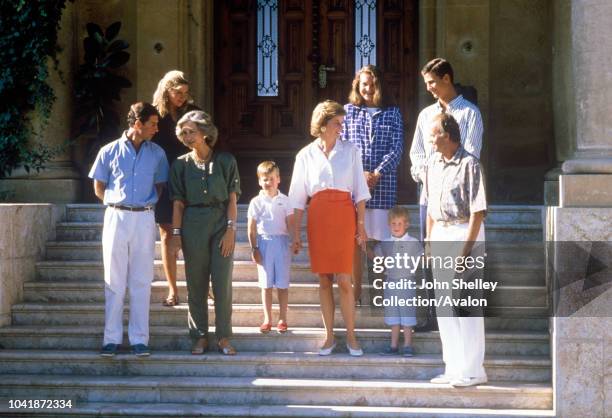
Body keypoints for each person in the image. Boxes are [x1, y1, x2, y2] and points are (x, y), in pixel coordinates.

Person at [289, 100, 371, 357]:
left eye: (342, 123)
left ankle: (351, 336)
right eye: (337, 123)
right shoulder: (305, 155)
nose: (341, 128)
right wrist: (295, 234)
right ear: (323, 125)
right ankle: (329, 337)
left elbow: (360, 192)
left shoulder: (351, 151)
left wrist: (361, 226)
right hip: (319, 216)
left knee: (345, 279)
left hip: (344, 215)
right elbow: (297, 198)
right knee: (324, 279)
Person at [89, 102, 169, 357]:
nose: (156, 129)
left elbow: (160, 187)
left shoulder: (157, 153)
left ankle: (139, 340)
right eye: (153, 124)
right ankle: (110, 339)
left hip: (144, 219)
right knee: (113, 279)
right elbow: (99, 187)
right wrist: (116, 205)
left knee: (141, 279)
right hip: (116, 217)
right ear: (138, 124)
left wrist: (143, 206)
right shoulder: (108, 151)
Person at [409, 58, 483, 331]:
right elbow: (416, 152)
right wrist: (424, 174)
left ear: (447, 79)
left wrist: (450, 175)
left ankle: (461, 314)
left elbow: (473, 152)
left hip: (458, 197)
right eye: (426, 83)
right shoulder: (425, 115)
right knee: (431, 252)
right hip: (429, 194)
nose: (428, 88)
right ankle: (433, 314)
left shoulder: (470, 114)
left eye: (432, 82)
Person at [423, 113, 488, 387]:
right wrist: (428, 241)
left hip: (464, 233)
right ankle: (453, 367)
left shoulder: (470, 164)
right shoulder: (432, 165)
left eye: (434, 133)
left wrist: (465, 252)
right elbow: (428, 206)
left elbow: (478, 211)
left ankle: (473, 371)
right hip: (440, 232)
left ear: (447, 135)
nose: (430, 138)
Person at [169, 110, 240, 356]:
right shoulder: (179, 164)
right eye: (184, 132)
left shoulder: (226, 161)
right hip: (192, 224)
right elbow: (178, 203)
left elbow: (232, 200)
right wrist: (176, 235)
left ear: (205, 132)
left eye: (192, 131)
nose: (187, 136)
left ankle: (223, 336)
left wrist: (231, 230)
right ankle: (199, 336)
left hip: (221, 223)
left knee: (222, 283)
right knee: (195, 283)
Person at [342, 65, 404, 305]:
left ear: (380, 86)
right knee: (357, 243)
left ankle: (379, 295)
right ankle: (356, 296)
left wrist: (377, 173)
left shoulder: (393, 113)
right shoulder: (348, 112)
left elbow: (397, 149)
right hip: (356, 189)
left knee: (381, 243)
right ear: (357, 85)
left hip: (383, 187)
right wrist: (361, 174)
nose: (368, 89)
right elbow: (344, 147)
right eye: (364, 84)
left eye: (372, 84)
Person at [152, 70, 199, 307]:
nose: (182, 97)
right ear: (166, 91)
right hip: (163, 180)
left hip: (188, 178)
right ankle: (173, 290)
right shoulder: (155, 117)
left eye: (185, 93)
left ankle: (201, 287)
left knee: (192, 236)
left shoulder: (191, 113)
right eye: (178, 93)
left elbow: (203, 141)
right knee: (167, 235)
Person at [247, 161, 295, 334]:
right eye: (265, 179)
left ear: (278, 179)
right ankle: (267, 318)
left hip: (281, 242)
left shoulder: (285, 200)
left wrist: (295, 240)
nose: (268, 183)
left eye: (272, 179)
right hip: (264, 243)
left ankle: (283, 317)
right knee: (266, 284)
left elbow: (290, 223)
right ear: (260, 181)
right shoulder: (256, 202)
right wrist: (254, 248)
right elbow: (251, 227)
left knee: (282, 283)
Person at [375, 206, 420, 357]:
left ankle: (408, 345)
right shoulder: (385, 243)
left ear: (406, 224)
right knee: (393, 316)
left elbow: (421, 259)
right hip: (391, 283)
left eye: (400, 224)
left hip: (407, 283)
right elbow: (377, 258)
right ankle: (393, 345)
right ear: (389, 225)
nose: (396, 227)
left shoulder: (413, 242)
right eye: (393, 224)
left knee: (407, 316)